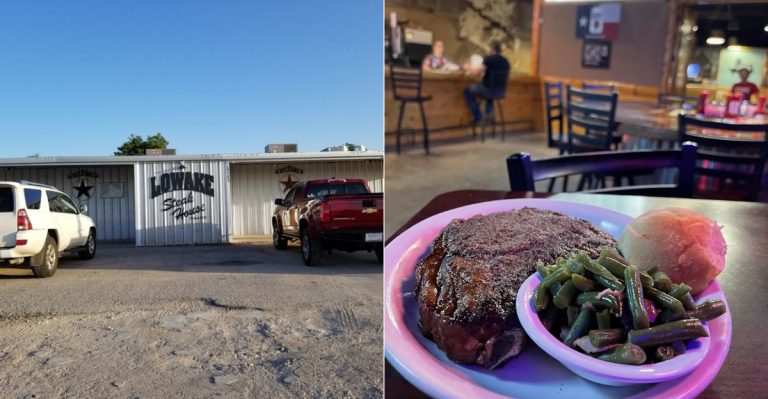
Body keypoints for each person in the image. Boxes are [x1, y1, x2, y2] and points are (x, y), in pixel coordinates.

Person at [463, 41, 510, 123]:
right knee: (490, 92)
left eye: (489, 48)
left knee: (467, 91)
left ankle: (479, 117)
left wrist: (467, 67)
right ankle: (490, 114)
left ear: (492, 49)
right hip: (501, 91)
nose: (487, 50)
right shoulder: (506, 61)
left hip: (488, 90)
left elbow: (474, 72)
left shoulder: (489, 59)